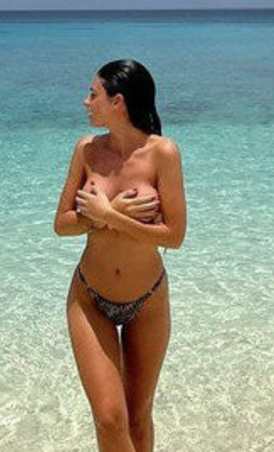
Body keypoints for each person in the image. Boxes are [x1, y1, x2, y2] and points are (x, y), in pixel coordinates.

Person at [53, 59, 187, 452]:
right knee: (111, 419)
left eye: (93, 94)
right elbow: (61, 224)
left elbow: (174, 236)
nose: (86, 102)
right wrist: (103, 215)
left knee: (138, 416)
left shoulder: (163, 153)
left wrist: (110, 215)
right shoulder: (86, 150)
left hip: (148, 300)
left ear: (118, 102)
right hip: (90, 297)